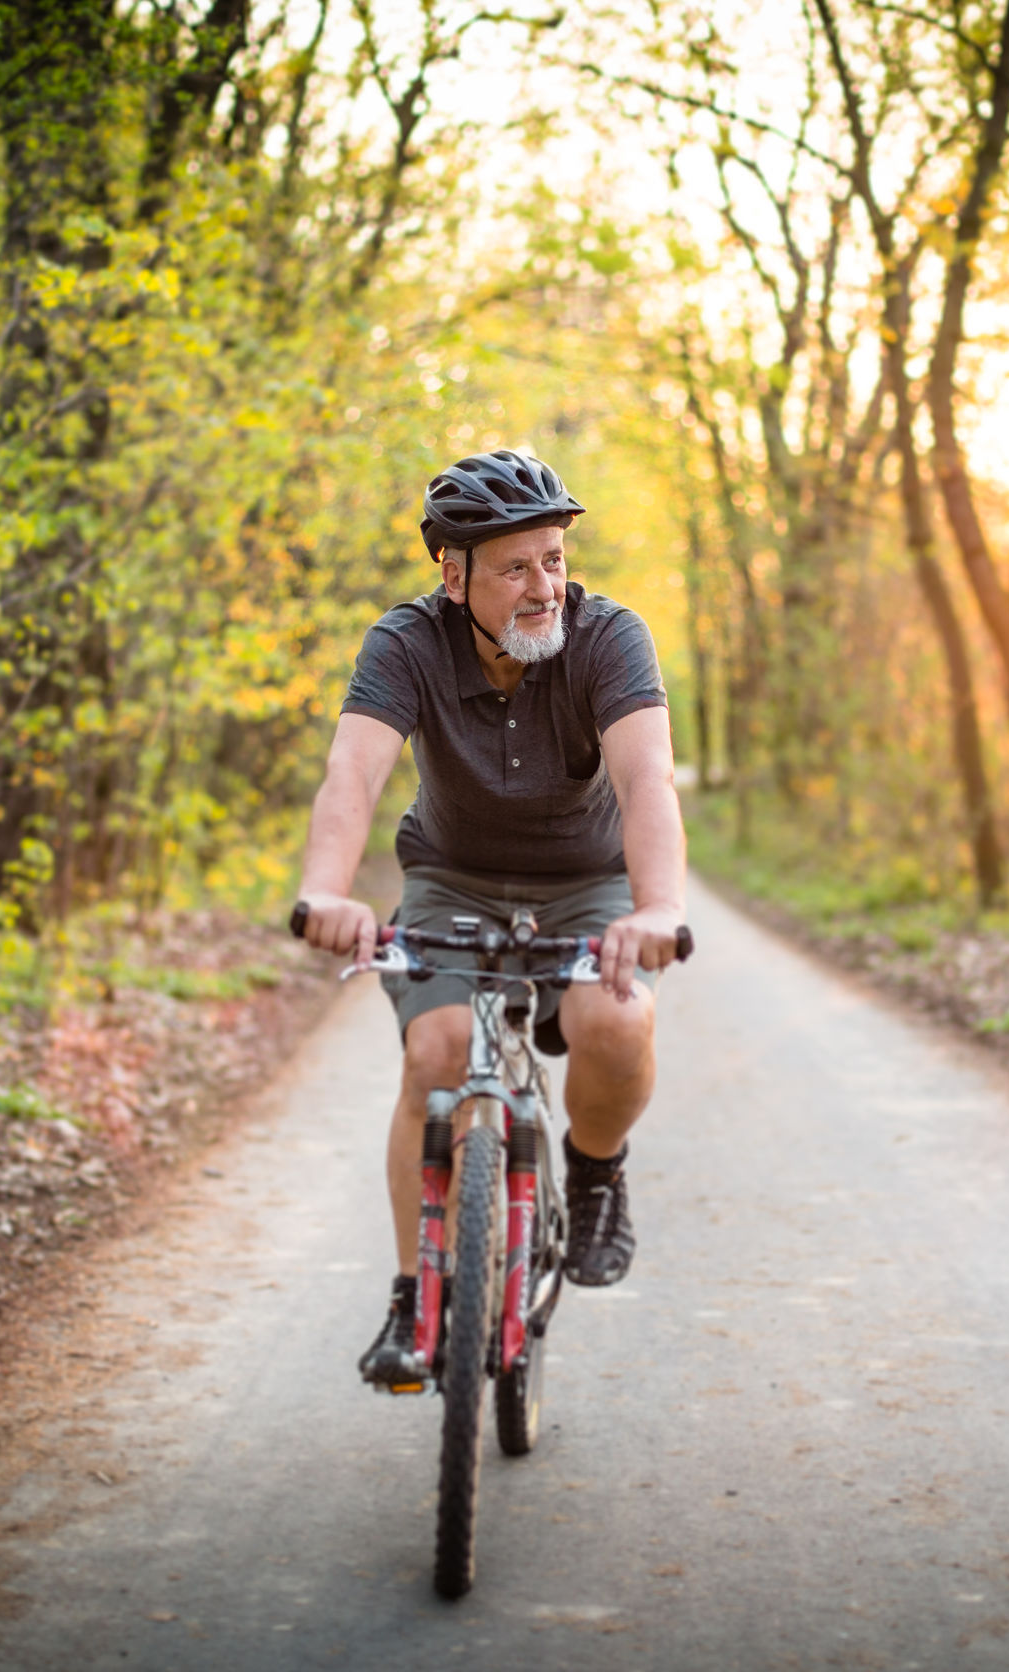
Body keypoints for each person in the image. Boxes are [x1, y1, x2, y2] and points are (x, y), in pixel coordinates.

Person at [291, 449, 688, 1388]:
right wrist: (326, 890)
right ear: (453, 576)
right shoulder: (406, 644)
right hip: (454, 880)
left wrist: (659, 908)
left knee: (616, 1021)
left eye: (553, 559)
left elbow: (647, 780)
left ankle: (594, 1169)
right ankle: (413, 1297)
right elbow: (353, 771)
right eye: (515, 568)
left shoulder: (608, 637)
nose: (543, 586)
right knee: (434, 1056)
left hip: (587, 881)